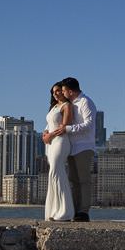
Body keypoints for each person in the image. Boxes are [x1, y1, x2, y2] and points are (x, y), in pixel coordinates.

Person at [44, 77, 96, 222]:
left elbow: (89, 124)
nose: (62, 92)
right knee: (74, 180)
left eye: (64, 90)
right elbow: (56, 121)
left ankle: (83, 212)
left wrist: (67, 129)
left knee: (83, 180)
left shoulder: (85, 102)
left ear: (70, 91)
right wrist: (46, 131)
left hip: (83, 146)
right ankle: (73, 211)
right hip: (71, 146)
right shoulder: (69, 104)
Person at [43, 82, 75, 221]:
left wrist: (50, 135)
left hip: (61, 141)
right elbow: (50, 124)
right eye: (53, 92)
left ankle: (66, 212)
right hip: (51, 144)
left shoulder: (66, 106)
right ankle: (54, 210)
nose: (56, 93)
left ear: (63, 91)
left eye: (58, 91)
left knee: (57, 173)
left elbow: (64, 126)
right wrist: (45, 132)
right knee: (53, 174)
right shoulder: (54, 107)